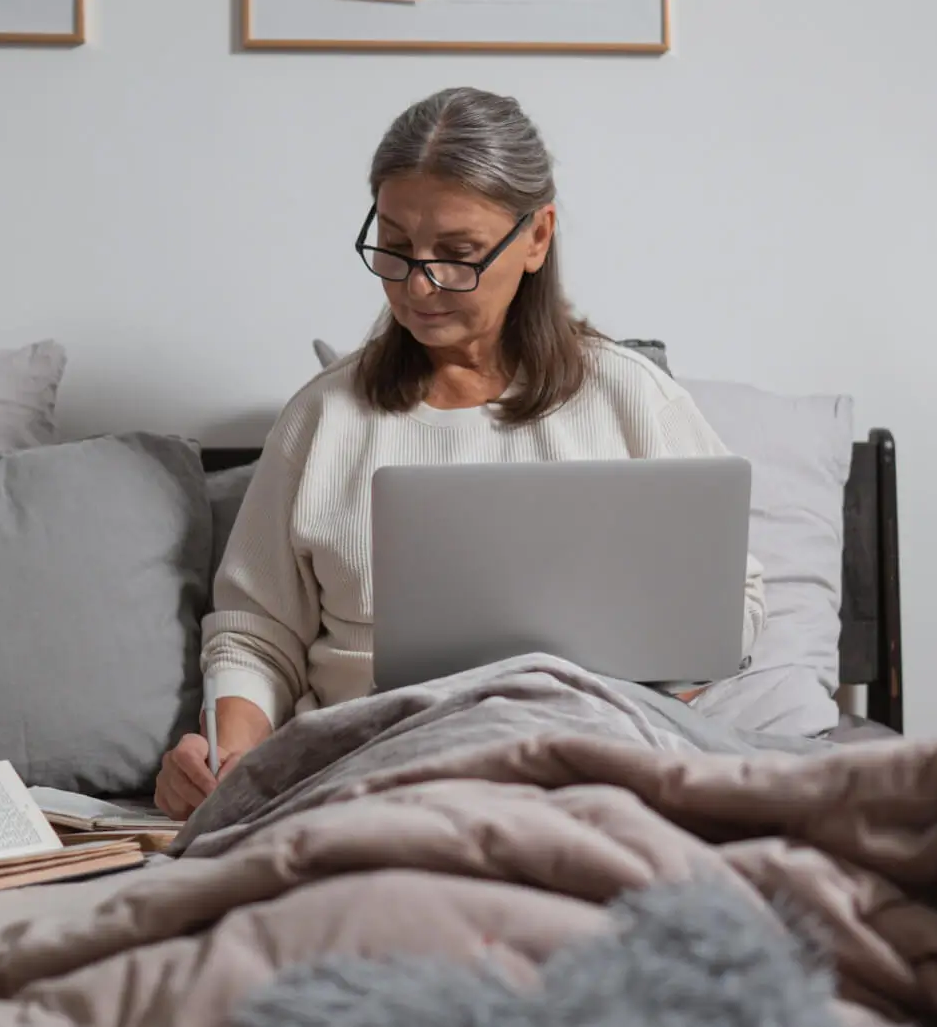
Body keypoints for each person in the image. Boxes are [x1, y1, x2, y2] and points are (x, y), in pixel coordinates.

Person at [153, 87, 764, 820]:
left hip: (587, 765)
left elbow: (733, 602)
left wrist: (641, 697)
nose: (418, 283)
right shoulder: (323, 417)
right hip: (372, 768)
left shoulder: (633, 401)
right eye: (395, 245)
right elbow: (256, 636)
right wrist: (233, 756)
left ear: (537, 237)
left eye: (458, 253)